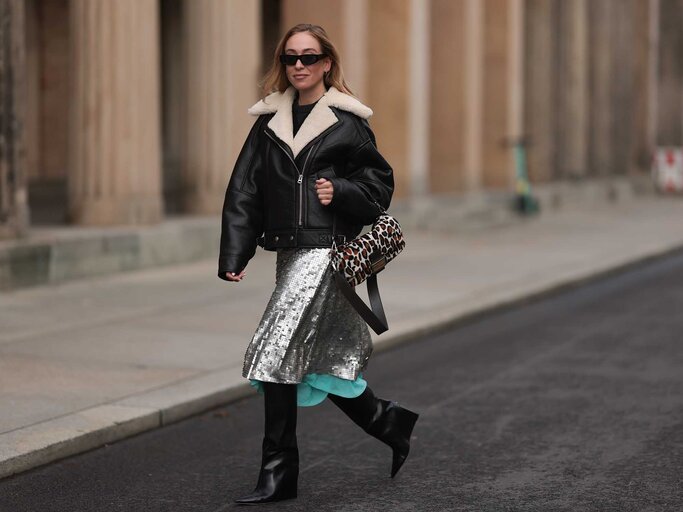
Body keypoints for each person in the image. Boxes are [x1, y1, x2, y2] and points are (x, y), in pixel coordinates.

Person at [218, 23, 419, 505]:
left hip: (329, 254)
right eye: (291, 58)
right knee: (314, 365)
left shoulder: (347, 122)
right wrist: (234, 252)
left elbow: (380, 186)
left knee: (272, 356)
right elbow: (244, 191)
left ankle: (279, 472)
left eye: (310, 57)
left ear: (327, 62)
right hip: (290, 254)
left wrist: (342, 191)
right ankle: (389, 423)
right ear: (283, 64)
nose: (300, 66)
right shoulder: (268, 122)